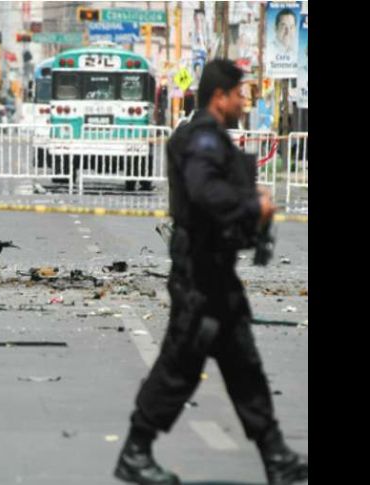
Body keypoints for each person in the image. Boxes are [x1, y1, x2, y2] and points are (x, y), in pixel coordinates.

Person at [113, 60, 308, 485]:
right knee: (179, 367)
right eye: (239, 95)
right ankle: (135, 450)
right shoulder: (202, 138)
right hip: (199, 278)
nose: (244, 103)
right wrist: (252, 205)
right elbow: (204, 192)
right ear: (220, 96)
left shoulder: (207, 135)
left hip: (217, 276)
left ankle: (275, 454)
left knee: (244, 365)